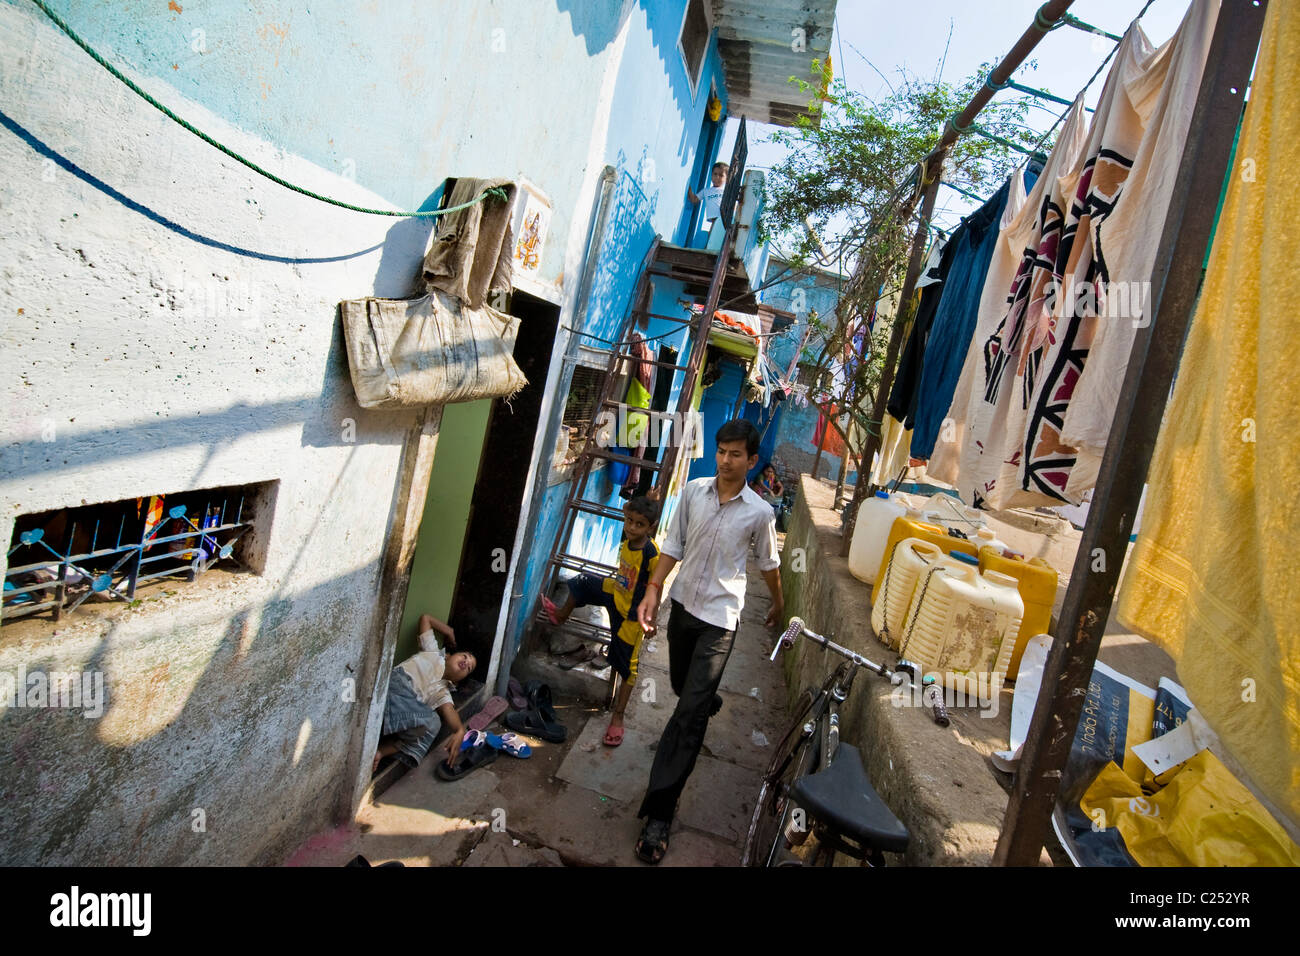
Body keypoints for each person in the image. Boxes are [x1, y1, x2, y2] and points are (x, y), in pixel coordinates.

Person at [632, 419, 783, 864]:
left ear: (752, 461)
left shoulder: (760, 513)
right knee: (683, 687)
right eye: (721, 451)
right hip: (682, 609)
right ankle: (702, 699)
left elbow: (769, 564)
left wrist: (778, 602)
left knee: (686, 716)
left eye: (736, 454)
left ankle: (659, 812)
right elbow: (673, 546)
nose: (726, 460)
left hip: (720, 619)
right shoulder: (693, 492)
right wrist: (653, 589)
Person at [541, 496, 661, 747]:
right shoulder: (627, 539)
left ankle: (617, 716)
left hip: (632, 614)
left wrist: (651, 617)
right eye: (629, 521)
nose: (631, 527)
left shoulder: (651, 553)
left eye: (639, 524)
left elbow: (656, 587)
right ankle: (561, 615)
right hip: (616, 592)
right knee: (583, 582)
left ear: (651, 527)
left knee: (628, 666)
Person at [373, 614, 477, 773]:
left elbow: (449, 711)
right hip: (392, 687)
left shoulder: (443, 693)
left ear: (457, 681)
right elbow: (425, 619)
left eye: (469, 668)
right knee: (425, 716)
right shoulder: (433, 653)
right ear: (448, 655)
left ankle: (380, 751)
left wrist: (459, 730)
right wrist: (449, 631)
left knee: (433, 724)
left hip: (400, 709)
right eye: (465, 656)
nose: (466, 662)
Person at [686, 161, 729, 249]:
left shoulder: (726, 191)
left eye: (721, 175)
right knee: (711, 236)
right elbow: (694, 200)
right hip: (713, 219)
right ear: (711, 175)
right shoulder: (706, 191)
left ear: (726, 178)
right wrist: (688, 188)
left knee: (721, 237)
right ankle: (707, 249)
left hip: (723, 218)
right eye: (715, 174)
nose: (717, 177)